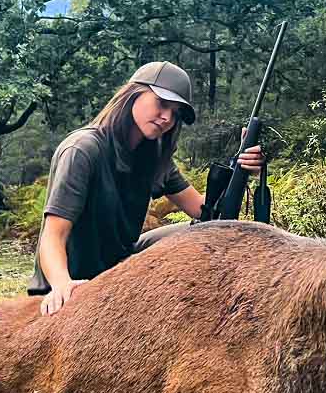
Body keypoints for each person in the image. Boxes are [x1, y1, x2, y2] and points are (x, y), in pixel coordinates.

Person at [28, 61, 264, 316]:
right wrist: (62, 284)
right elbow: (54, 235)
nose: (167, 118)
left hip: (119, 266)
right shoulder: (82, 150)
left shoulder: (154, 158)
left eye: (175, 114)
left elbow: (204, 212)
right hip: (75, 278)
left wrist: (240, 167)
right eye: (162, 104)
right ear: (133, 94)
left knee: (209, 233)